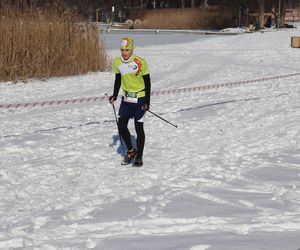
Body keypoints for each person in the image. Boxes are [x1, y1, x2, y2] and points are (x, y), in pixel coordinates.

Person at [109, 37, 151, 167]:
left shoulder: (140, 62)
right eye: (122, 50)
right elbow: (118, 79)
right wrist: (115, 95)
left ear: (131, 49)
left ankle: (139, 157)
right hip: (126, 100)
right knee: (121, 126)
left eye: (126, 50)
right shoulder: (117, 62)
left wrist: (147, 102)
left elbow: (148, 83)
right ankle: (131, 151)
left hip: (140, 99)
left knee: (139, 128)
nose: (124, 53)